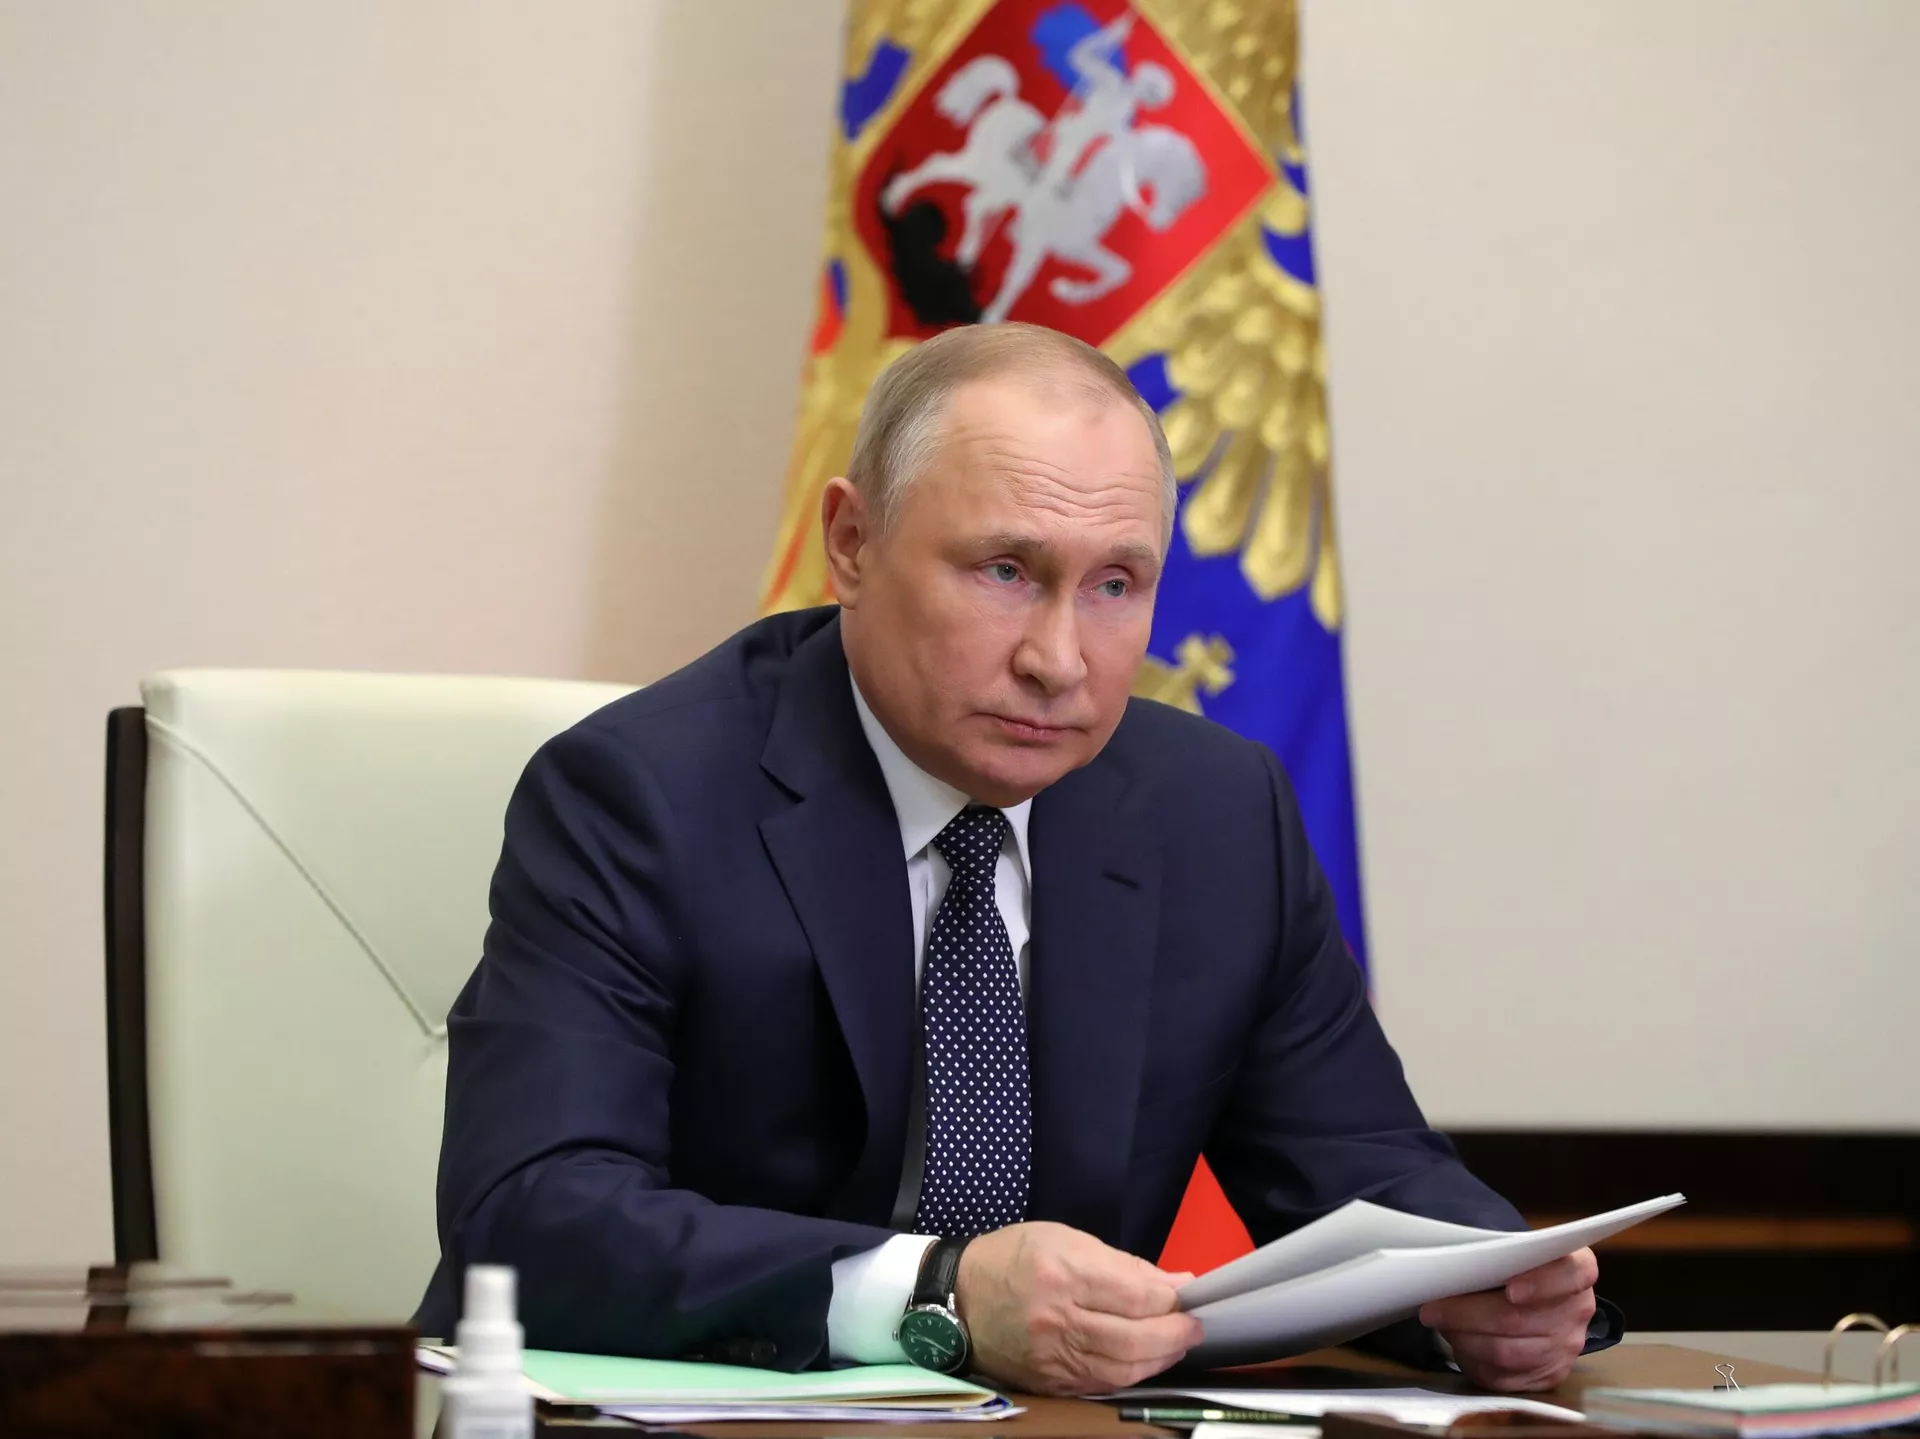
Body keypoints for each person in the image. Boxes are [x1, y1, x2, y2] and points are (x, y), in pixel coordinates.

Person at [417, 323, 1613, 1396]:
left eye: (1115, 585)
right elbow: (527, 1214)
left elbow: (1361, 1170)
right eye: (1005, 571)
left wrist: (1485, 1291)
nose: (1060, 658)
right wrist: (936, 1293)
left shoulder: (1216, 813)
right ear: (851, 542)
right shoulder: (643, 794)